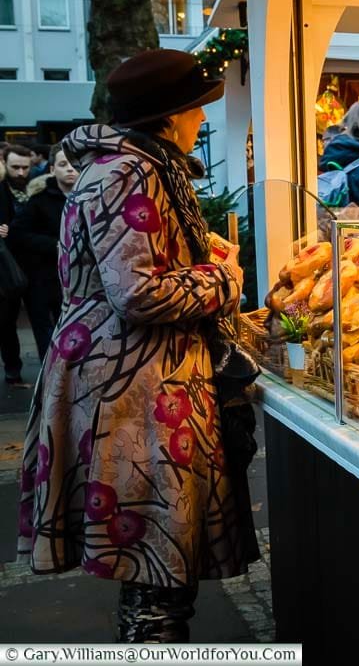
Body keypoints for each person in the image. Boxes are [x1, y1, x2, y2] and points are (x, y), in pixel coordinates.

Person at [17, 49, 259, 643]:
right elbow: (140, 293)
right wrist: (225, 278)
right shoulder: (132, 172)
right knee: (156, 567)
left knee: (159, 571)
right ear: (168, 117)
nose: (202, 120)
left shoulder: (131, 167)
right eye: (196, 109)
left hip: (128, 377)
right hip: (130, 387)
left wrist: (202, 261)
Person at [9, 144, 78, 359]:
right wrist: (55, 245)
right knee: (47, 332)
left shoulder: (91, 198)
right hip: (45, 277)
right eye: (62, 164)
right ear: (52, 169)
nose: (69, 169)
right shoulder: (39, 200)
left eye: (74, 165)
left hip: (79, 277)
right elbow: (18, 234)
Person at [0, 144, 33, 386]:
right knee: (6, 321)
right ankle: (12, 368)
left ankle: (14, 368)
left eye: (25, 167)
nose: (21, 173)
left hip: (29, 263)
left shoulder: (36, 190)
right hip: (6, 265)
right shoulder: (2, 189)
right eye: (15, 167)